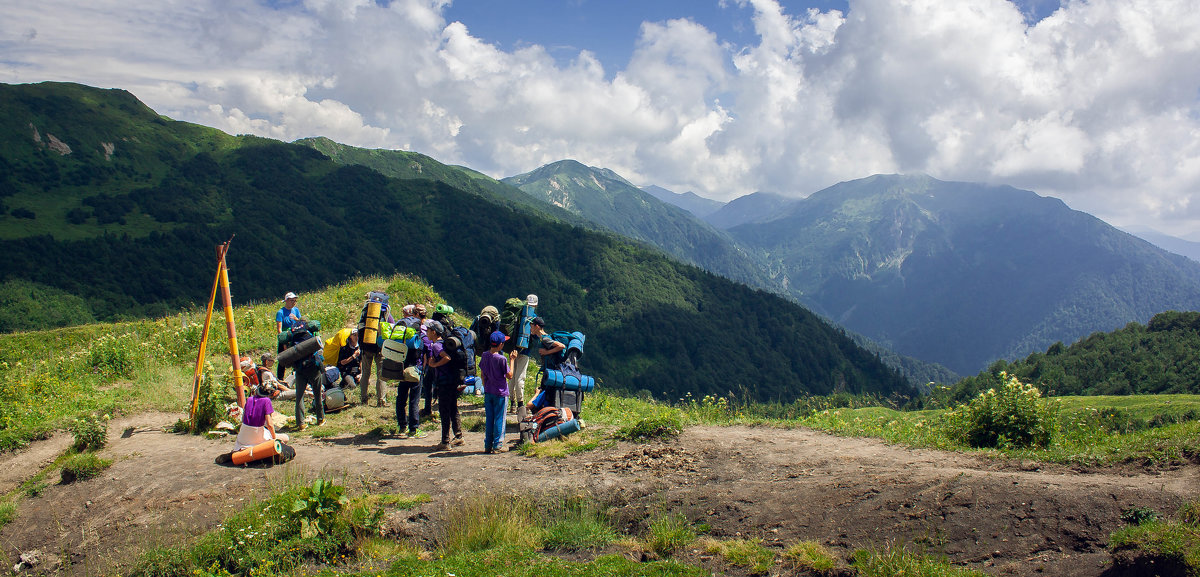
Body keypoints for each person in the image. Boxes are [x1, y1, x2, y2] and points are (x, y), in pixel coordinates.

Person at [425, 321, 464, 451]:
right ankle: (458, 436)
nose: (427, 332)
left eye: (428, 330)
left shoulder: (436, 345)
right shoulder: (445, 343)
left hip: (444, 382)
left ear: (434, 332)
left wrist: (435, 365)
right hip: (452, 380)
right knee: (453, 408)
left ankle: (445, 441)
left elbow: (446, 358)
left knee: (444, 411)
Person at [283, 319, 325, 430]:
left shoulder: (292, 336)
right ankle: (320, 419)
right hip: (313, 367)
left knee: (299, 396)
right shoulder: (310, 332)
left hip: (299, 369)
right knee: (317, 393)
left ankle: (300, 423)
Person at [357, 292, 395, 407]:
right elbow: (392, 327)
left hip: (366, 347)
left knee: (365, 374)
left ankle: (363, 399)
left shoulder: (365, 312)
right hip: (380, 348)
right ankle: (381, 400)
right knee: (381, 375)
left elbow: (359, 329)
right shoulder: (386, 314)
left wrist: (361, 346)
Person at [480, 331, 515, 453]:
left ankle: (487, 445)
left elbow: (482, 374)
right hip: (500, 392)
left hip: (488, 391)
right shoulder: (502, 359)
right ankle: (498, 444)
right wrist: (512, 360)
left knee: (489, 418)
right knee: (500, 418)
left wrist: (485, 387)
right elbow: (509, 375)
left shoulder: (484, 355)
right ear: (500, 345)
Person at [234, 381, 290, 452]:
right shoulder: (266, 401)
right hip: (256, 434)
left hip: (243, 435)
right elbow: (270, 425)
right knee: (285, 438)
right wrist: (274, 439)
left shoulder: (249, 399)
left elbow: (243, 419)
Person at [275, 292, 301, 379]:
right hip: (285, 337)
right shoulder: (280, 312)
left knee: (297, 357)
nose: (293, 302)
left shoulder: (296, 310)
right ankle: (280, 378)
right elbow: (279, 329)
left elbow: (301, 323)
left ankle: (297, 377)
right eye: (291, 300)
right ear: (286, 301)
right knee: (282, 359)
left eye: (295, 301)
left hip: (295, 336)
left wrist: (296, 319)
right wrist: (284, 342)